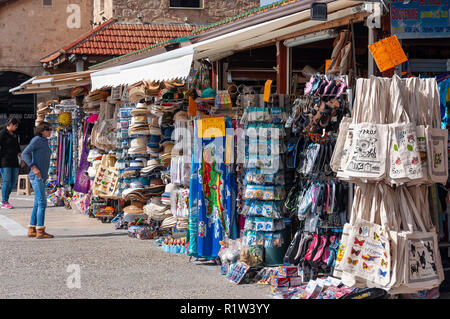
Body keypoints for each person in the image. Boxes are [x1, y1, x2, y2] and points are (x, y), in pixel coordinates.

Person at [22, 122, 53, 239]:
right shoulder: (37, 140)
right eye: (48, 129)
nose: (50, 131)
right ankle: (40, 230)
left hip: (42, 176)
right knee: (42, 203)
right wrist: (33, 167)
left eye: (50, 129)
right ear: (41, 130)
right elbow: (25, 153)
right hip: (36, 176)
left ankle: (32, 229)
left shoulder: (45, 141)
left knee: (37, 203)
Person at [0, 117, 23, 209]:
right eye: (15, 125)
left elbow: (17, 148)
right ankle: (4, 201)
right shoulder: (2, 134)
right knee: (7, 180)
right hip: (4, 160)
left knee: (13, 181)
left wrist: (22, 159)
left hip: (14, 160)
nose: (16, 127)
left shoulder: (14, 134)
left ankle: (5, 199)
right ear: (9, 124)